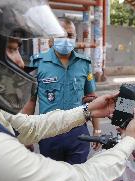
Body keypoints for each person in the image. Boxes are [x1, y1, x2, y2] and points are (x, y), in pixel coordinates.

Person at [0, 1, 135, 181]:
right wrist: (128, 140)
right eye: (11, 49)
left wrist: (89, 110)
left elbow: (28, 126)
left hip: (74, 131)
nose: (21, 62)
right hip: (52, 141)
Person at [22, 18, 101, 164]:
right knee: (52, 179)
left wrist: (97, 131)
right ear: (51, 39)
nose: (65, 39)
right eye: (60, 36)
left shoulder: (84, 63)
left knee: (77, 177)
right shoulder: (37, 63)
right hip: (49, 132)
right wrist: (26, 135)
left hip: (78, 132)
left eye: (70, 36)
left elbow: (92, 98)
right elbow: (30, 101)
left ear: (75, 38)